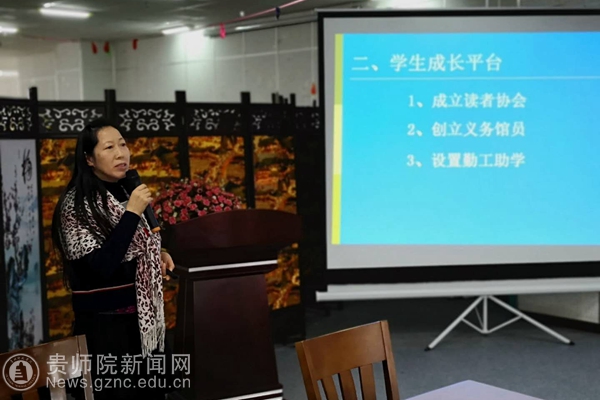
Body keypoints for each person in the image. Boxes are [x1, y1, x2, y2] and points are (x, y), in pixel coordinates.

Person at [51, 118, 178, 400]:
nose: (121, 153)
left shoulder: (126, 189)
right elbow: (101, 267)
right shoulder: (75, 205)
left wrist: (159, 253)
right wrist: (132, 213)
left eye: (123, 144)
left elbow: (134, 245)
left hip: (145, 327)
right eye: (109, 147)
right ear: (89, 159)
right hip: (106, 332)